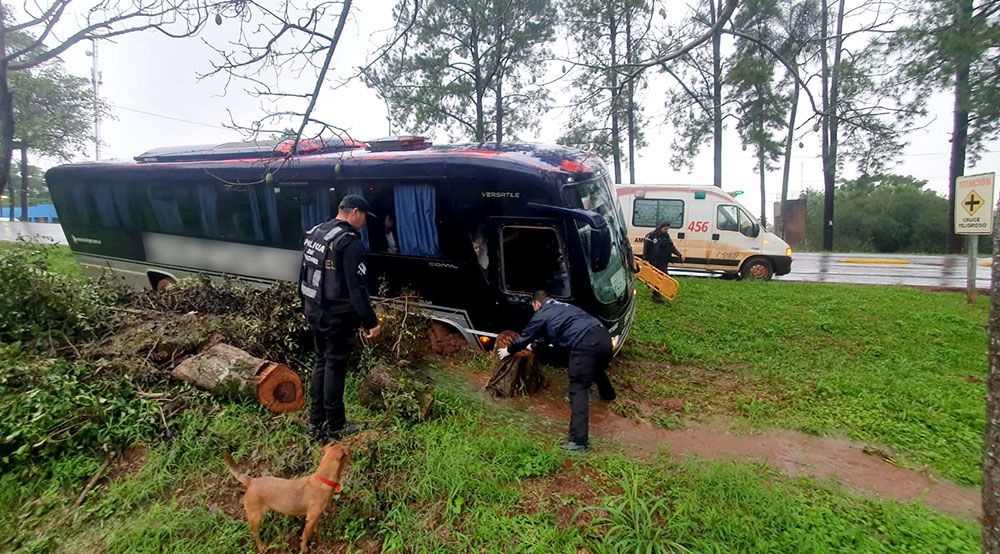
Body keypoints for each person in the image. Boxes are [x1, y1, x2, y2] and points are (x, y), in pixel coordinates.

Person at [299, 194, 382, 441]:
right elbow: (356, 287)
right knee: (334, 367)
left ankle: (316, 422)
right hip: (338, 316)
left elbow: (303, 272)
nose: (364, 222)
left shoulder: (316, 233)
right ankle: (335, 425)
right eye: (364, 217)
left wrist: (303, 306)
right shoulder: (348, 241)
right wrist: (370, 322)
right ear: (355, 212)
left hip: (314, 310)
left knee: (321, 363)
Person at [497, 290, 616, 452]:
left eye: (534, 307)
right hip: (604, 338)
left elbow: (527, 334)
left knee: (578, 389)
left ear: (536, 304)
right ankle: (608, 394)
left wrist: (509, 350)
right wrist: (533, 346)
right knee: (595, 367)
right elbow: (550, 334)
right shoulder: (563, 307)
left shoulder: (542, 312)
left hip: (584, 344)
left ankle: (578, 442)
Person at [643, 221, 685, 302]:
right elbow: (646, 249)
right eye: (665, 229)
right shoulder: (651, 236)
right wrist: (645, 259)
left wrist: (679, 254)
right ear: (660, 227)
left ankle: (658, 293)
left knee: (663, 277)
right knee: (656, 278)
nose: (666, 230)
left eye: (667, 229)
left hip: (663, 260)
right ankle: (656, 295)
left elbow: (671, 247)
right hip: (654, 261)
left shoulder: (666, 236)